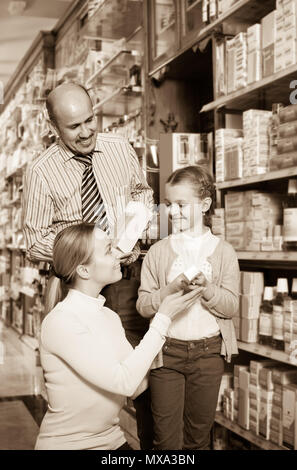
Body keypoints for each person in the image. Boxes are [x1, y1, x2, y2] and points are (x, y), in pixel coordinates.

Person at [22, 82, 155, 448]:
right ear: (54, 128)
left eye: (90, 119)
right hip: (74, 287)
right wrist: (84, 253)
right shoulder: (41, 170)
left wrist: (123, 240)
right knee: (81, 377)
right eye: (74, 126)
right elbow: (34, 238)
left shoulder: (118, 148)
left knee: (138, 372)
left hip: (124, 278)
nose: (87, 131)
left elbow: (143, 195)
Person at [35, 223, 203, 450]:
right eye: (108, 250)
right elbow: (123, 382)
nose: (118, 254)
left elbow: (137, 385)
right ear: (84, 270)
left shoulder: (109, 317)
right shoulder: (61, 322)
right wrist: (163, 317)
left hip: (111, 440)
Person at [136, 165, 240, 450]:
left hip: (208, 355)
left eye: (182, 205)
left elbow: (230, 306)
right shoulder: (157, 253)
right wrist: (170, 290)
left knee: (198, 438)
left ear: (205, 205)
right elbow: (144, 305)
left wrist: (206, 288)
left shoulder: (224, 252)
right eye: (169, 205)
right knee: (165, 441)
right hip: (166, 354)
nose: (173, 212)